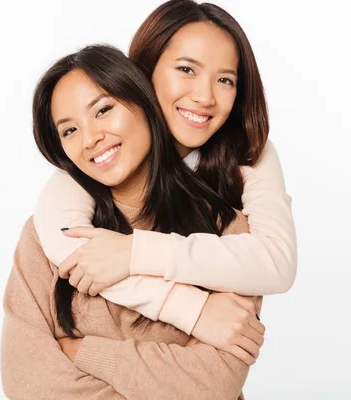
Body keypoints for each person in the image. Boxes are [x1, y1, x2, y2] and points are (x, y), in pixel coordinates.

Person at [34, 0, 296, 362]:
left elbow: (277, 263)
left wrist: (134, 253)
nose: (205, 97)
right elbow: (73, 249)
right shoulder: (100, 154)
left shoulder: (246, 154)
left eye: (225, 80)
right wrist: (193, 310)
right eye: (187, 69)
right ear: (143, 70)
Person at [1, 45, 264, 399]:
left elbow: (213, 385)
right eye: (69, 131)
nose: (90, 138)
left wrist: (80, 350)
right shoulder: (47, 237)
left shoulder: (228, 229)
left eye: (104, 110)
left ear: (145, 102)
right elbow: (26, 382)